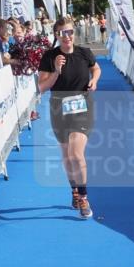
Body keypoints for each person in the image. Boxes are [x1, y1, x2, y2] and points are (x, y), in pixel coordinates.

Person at [37, 17, 101, 219]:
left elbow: (96, 68)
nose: (68, 36)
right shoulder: (49, 56)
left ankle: (83, 197)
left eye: (70, 32)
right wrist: (56, 70)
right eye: (63, 33)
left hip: (83, 107)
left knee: (75, 154)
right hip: (59, 109)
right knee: (66, 156)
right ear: (57, 35)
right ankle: (74, 190)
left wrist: (95, 80)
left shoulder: (84, 53)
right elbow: (41, 87)